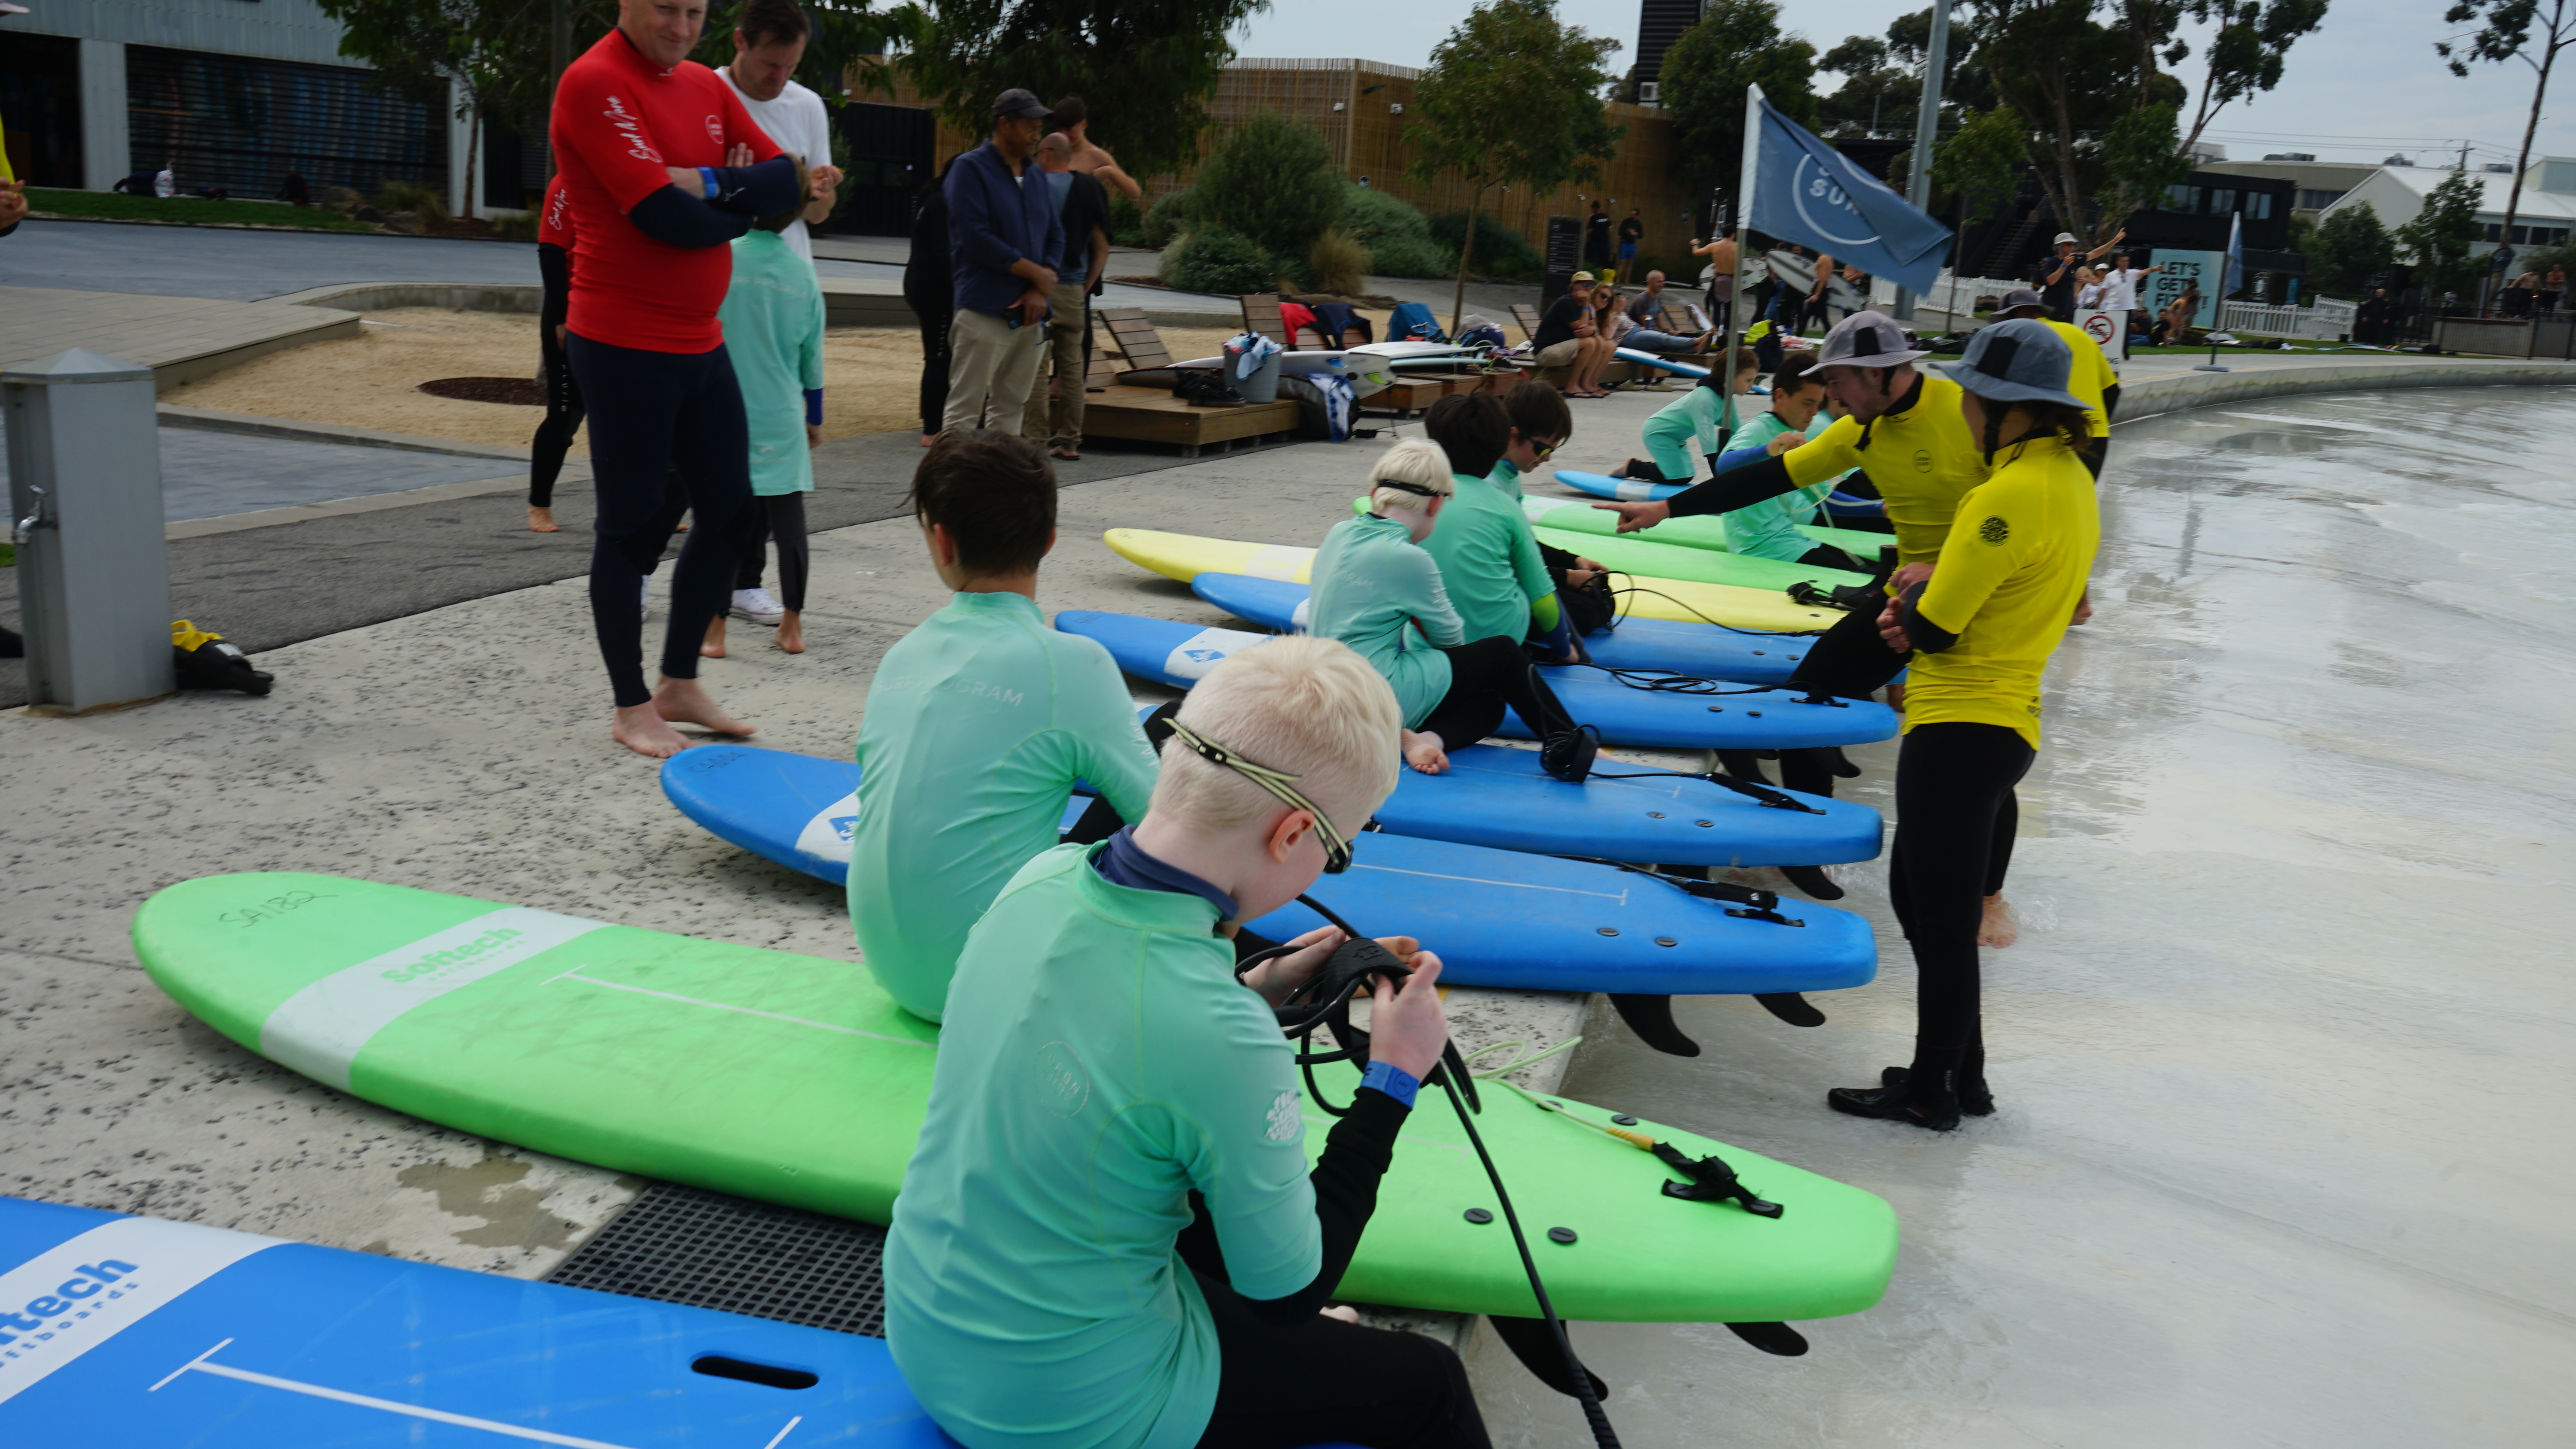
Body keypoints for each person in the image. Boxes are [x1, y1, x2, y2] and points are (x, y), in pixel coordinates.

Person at [884, 632, 1482, 1449]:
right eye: (1335, 855)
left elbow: (1126, 1050)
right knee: (1431, 1384)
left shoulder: (1041, 878)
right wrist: (1393, 1077)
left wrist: (1253, 990)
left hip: (927, 1334)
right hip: (1070, 1407)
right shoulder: (1220, 1038)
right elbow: (1286, 1294)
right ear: (1293, 833)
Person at [1592, 312, 2026, 926]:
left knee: (1982, 744)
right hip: (1904, 585)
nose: (1834, 398)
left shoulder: (1966, 412)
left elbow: (2023, 506)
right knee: (1811, 695)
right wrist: (1667, 506)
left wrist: (1967, 566)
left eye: (1841, 382)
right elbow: (1768, 478)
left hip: (1981, 593)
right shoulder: (1860, 429)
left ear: (1878, 374)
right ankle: (1804, 848)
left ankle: (1988, 899)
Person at [1826, 318, 2100, 1131]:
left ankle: (1930, 1090)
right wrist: (1924, 598)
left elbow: (1937, 627)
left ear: (2003, 409)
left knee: (1938, 920)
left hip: (1960, 722)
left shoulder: (2007, 491)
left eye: (1976, 401)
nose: (1968, 415)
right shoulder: (2070, 477)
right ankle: (1958, 1072)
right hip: (2006, 721)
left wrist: (1907, 602)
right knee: (1924, 901)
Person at [550, 0, 799, 758]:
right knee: (631, 527)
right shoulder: (595, 82)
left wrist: (701, 182)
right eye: (667, 8)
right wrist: (733, 201)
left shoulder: (704, 85)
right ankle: (631, 705)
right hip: (622, 341)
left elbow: (785, 188)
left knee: (730, 514)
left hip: (701, 341)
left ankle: (679, 682)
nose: (682, 26)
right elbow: (663, 217)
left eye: (695, 10)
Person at [847, 429, 1160, 1023]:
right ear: (1048, 541)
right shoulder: (1073, 664)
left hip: (893, 970)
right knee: (1166, 738)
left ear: (941, 541)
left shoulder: (904, 655)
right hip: (992, 985)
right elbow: (1169, 826)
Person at [1308, 438, 1588, 781]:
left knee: (1491, 702)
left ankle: (1421, 739)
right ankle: (1567, 745)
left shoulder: (1339, 533)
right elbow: (1450, 642)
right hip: (1372, 695)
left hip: (1322, 693)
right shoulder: (1409, 558)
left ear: (1375, 491)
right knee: (1502, 654)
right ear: (1436, 505)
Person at [701, 164, 825, 659]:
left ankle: (714, 630)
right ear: (797, 210)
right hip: (781, 414)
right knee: (789, 521)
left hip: (724, 409)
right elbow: (811, 357)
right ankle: (792, 626)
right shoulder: (802, 276)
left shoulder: (723, 259)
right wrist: (814, 415)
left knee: (720, 524)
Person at [942, 88, 1064, 436]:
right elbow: (976, 239)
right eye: (1029, 124)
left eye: (1039, 125)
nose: (1036, 133)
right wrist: (1037, 276)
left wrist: (1040, 287)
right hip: (984, 310)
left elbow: (1056, 233)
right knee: (965, 410)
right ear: (1004, 124)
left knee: (1011, 407)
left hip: (1032, 314)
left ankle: (999, 485)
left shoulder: (1037, 175)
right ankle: (951, 486)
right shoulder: (970, 169)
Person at [717, 0, 845, 265]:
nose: (781, 77)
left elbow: (820, 213)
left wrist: (814, 192)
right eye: (771, 64)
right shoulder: (707, 95)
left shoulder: (807, 105)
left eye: (792, 66)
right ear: (740, 40)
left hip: (789, 280)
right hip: (725, 276)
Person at [1702, 355, 1850, 569]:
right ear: (1781, 395)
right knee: (1865, 579)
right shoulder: (1759, 429)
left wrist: (1880, 509)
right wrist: (1768, 451)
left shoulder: (1793, 436)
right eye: (1808, 403)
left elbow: (1824, 500)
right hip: (1760, 548)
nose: (1814, 413)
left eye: (1818, 405)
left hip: (1789, 540)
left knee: (1871, 570)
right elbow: (1724, 465)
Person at [1022, 130, 1112, 461]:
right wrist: (1084, 287)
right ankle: (1070, 441)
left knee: (1035, 365)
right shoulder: (1090, 187)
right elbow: (1103, 247)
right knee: (1073, 369)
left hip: (1038, 287)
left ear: (1045, 154)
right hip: (1074, 288)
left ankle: (1034, 440)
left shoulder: (1033, 187)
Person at [1988, 288, 2120, 478]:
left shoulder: (2021, 338)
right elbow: (2113, 390)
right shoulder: (2080, 335)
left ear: (2017, 314)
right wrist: (2093, 423)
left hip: (2046, 440)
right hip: (2094, 439)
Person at [527, 175, 583, 533]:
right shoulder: (565, 184)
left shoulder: (620, 177)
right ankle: (539, 505)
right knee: (565, 416)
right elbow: (550, 253)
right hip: (568, 314)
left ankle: (655, 506)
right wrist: (562, 319)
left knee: (636, 419)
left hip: (614, 313)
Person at [1618, 346, 1760, 484]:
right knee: (1678, 478)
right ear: (1728, 377)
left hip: (1676, 437)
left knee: (1685, 476)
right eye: (1748, 380)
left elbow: (1737, 436)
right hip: (1658, 433)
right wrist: (1722, 484)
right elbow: (1710, 448)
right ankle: (1633, 467)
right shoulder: (1704, 400)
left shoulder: (1727, 400)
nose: (1752, 385)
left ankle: (1655, 467)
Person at [904, 154, 961, 445]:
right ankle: (933, 429)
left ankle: (932, 421)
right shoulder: (943, 204)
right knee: (939, 356)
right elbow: (944, 255)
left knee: (938, 354)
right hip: (935, 290)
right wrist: (959, 291)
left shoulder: (931, 198)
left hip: (920, 284)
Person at [1049, 94, 1142, 201]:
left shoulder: (1097, 156)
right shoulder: (1051, 153)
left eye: (1069, 129)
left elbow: (1135, 192)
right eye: (1059, 129)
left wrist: (1111, 172)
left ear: (1083, 125)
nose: (1064, 135)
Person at [2034, 228, 2121, 322]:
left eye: (2073, 244)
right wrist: (2064, 265)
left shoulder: (2075, 259)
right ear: (2059, 247)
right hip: (2051, 310)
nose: (2072, 247)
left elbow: (2095, 254)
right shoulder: (2051, 262)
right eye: (2069, 244)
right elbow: (2050, 281)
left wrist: (2114, 241)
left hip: (2068, 311)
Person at [1526, 270, 1596, 376]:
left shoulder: (1582, 306)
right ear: (1573, 286)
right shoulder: (1566, 302)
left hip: (1563, 351)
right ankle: (1573, 386)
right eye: (1585, 284)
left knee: (1604, 344)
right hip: (1545, 354)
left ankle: (1589, 384)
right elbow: (1581, 329)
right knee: (1589, 343)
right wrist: (1587, 304)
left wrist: (1592, 329)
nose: (1588, 288)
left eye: (1592, 285)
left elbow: (1593, 327)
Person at [2097, 252, 2162, 343]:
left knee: (2125, 331)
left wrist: (2153, 269)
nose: (2126, 263)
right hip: (2113, 307)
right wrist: (2099, 304)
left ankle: (2124, 349)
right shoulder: (2110, 276)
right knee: (2111, 328)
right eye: (2123, 261)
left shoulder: (2132, 273)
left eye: (2127, 261)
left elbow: (2144, 272)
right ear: (2118, 263)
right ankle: (2111, 346)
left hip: (2128, 307)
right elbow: (2104, 291)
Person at [1691, 224, 1738, 329]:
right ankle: (1727, 334)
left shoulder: (1714, 246)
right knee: (1729, 310)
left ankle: (1716, 334)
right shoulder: (1738, 247)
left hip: (1718, 280)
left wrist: (1695, 244)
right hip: (1731, 281)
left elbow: (1697, 252)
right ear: (1733, 234)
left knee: (1716, 310)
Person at [1585, 202, 1612, 271]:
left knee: (1594, 260)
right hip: (1605, 242)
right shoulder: (1606, 216)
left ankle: (1594, 274)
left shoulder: (1594, 217)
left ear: (1595, 208)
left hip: (1596, 242)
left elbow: (1590, 230)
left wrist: (1588, 237)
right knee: (1604, 260)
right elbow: (1610, 229)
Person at [1617, 207, 1643, 277]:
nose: (1632, 216)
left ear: (1637, 216)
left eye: (1634, 215)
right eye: (1631, 214)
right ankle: (1618, 279)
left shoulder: (1638, 224)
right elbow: (1620, 232)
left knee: (1630, 262)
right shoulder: (1626, 222)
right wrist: (1628, 232)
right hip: (1624, 242)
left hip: (1632, 244)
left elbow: (1641, 235)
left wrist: (1636, 234)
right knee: (1621, 261)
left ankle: (1627, 280)